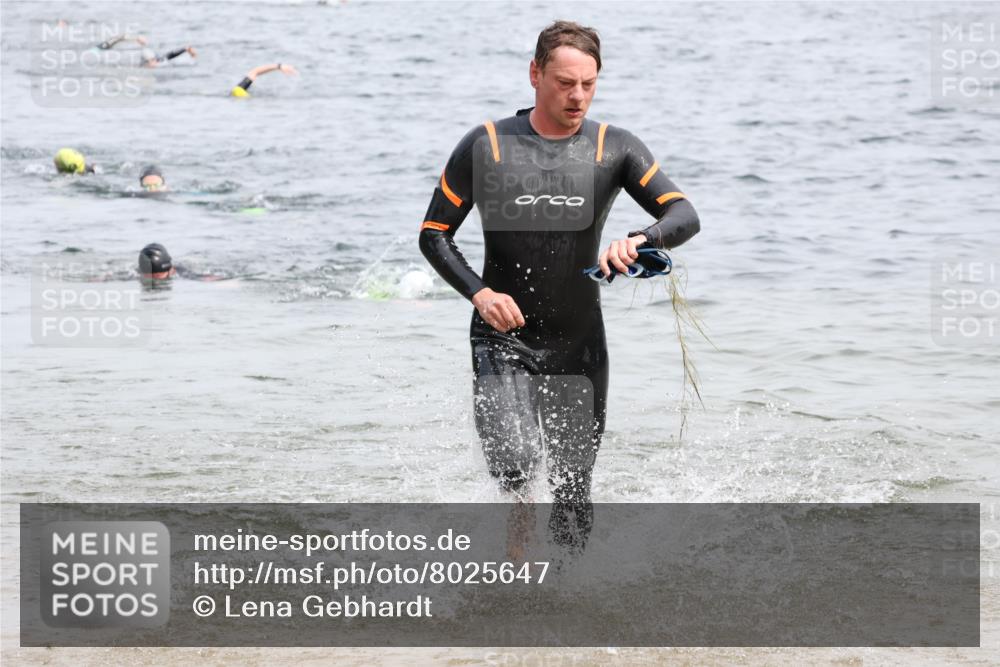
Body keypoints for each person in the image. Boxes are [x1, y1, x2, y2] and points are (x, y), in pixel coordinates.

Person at [418, 21, 700, 554]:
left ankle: (569, 602)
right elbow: (434, 235)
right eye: (565, 82)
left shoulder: (612, 147)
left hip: (578, 341)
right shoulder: (488, 145)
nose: (577, 96)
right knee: (517, 464)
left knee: (573, 490)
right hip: (503, 336)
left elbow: (683, 214)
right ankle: (516, 567)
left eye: (588, 84)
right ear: (534, 74)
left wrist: (639, 239)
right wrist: (480, 293)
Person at [229, 63, 298, 97]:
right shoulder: (237, 91)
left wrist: (279, 66)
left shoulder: (237, 91)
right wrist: (279, 66)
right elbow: (255, 72)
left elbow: (255, 72)